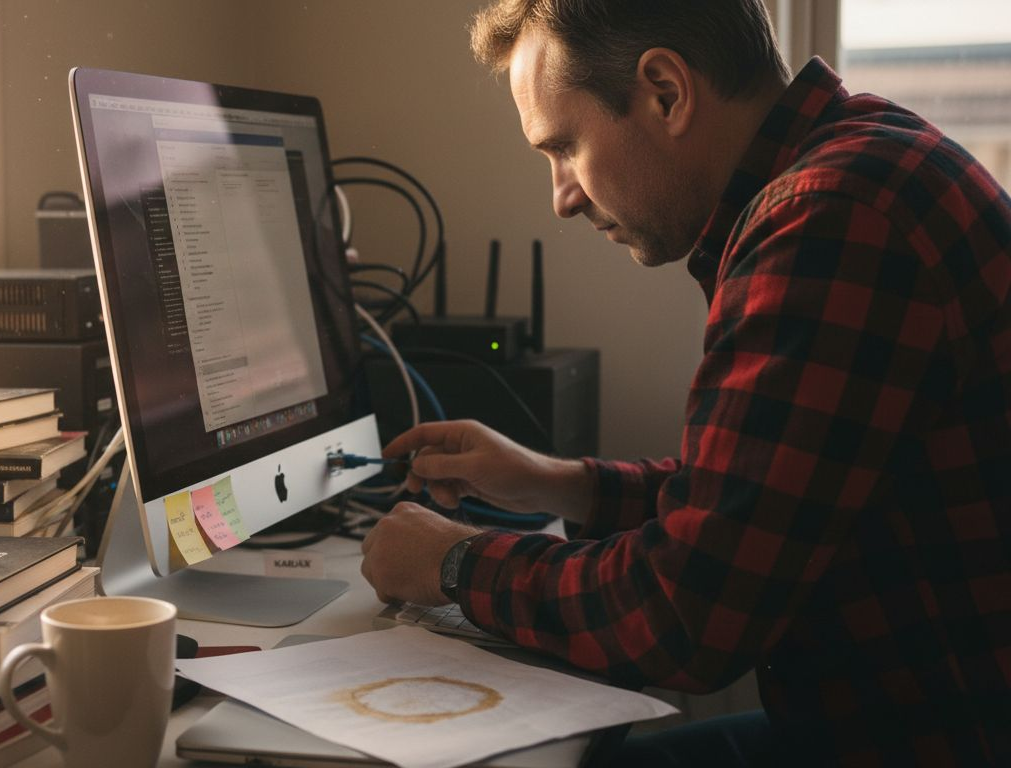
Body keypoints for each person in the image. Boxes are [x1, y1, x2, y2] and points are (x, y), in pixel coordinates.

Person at [358, 1, 1011, 765]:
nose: (561, 195)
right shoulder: (861, 157)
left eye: (564, 146)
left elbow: (685, 614)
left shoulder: (827, 218)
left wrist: (453, 563)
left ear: (666, 91)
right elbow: (757, 501)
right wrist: (561, 484)